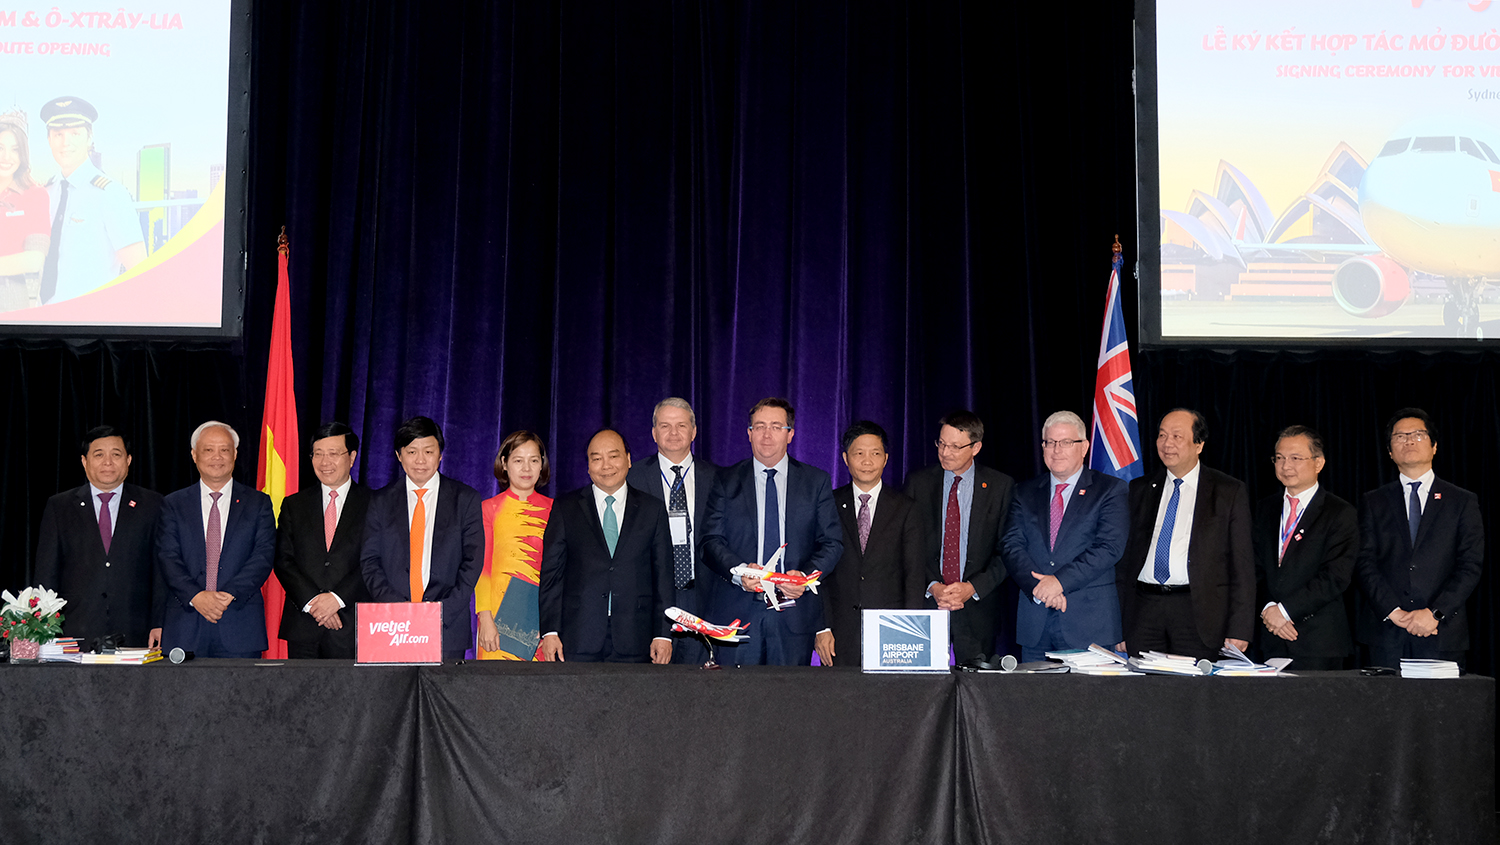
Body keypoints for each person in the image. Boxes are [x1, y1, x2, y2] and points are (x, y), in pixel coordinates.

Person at [702, 398, 842, 666]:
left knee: (787, 704)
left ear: (790, 434)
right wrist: (740, 572)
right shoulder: (724, 480)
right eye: (759, 426)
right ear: (749, 433)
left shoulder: (816, 482)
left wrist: (803, 578)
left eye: (777, 427)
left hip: (793, 618)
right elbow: (710, 541)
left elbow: (832, 543)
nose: (767, 434)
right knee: (734, 702)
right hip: (737, 616)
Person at [1116, 408, 1254, 661]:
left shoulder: (1227, 491)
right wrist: (1120, 624)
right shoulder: (1140, 489)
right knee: (1143, 695)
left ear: (1199, 444)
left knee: (1194, 696)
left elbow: (1242, 565)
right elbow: (1125, 563)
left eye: (1177, 437)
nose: (1167, 444)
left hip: (1198, 612)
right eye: (1162, 435)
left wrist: (1240, 628)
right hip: (1144, 611)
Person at [1355, 408, 1484, 669]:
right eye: (1400, 436)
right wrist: (1393, 611)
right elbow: (1364, 561)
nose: (1409, 441)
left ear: (1434, 446)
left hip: (1442, 632)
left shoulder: (1461, 501)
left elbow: (1470, 565)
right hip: (1387, 633)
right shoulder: (1373, 501)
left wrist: (1435, 613)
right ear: (1390, 452)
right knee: (1386, 710)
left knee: (1440, 710)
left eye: (1418, 434)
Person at [1001, 411, 1128, 662]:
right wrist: (1041, 588)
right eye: (1050, 442)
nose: (1056, 450)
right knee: (1034, 701)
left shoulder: (1110, 490)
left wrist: (1059, 582)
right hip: (1035, 622)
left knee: (1090, 702)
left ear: (1084, 447)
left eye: (1066, 442)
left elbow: (1109, 547)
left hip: (1089, 624)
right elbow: (1011, 545)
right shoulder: (1023, 492)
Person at [538, 429, 673, 663]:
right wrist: (550, 631)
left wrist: (663, 634)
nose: (606, 465)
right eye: (596, 458)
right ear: (588, 466)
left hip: (636, 636)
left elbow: (663, 575)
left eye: (613, 456)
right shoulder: (566, 508)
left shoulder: (653, 509)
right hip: (578, 636)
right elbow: (552, 574)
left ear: (629, 459)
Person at [360, 416, 483, 660]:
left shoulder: (465, 499)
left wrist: (440, 613)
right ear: (398, 455)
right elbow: (370, 562)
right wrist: (400, 611)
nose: (420, 460)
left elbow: (472, 562)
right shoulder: (380, 501)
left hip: (446, 627)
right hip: (392, 627)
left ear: (440, 454)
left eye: (428, 451)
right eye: (411, 451)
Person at [34, 425, 164, 648]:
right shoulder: (59, 507)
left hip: (136, 631)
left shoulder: (153, 504)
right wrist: (44, 627)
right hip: (73, 632)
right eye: (99, 454)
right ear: (85, 462)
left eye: (116, 454)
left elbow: (161, 571)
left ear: (129, 460)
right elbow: (46, 572)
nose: (108, 462)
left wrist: (159, 622)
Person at [157, 421, 277, 658]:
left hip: (240, 624)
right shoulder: (173, 504)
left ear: (235, 454)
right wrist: (196, 596)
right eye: (208, 450)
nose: (217, 457)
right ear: (194, 455)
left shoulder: (258, 503)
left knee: (242, 696)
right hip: (185, 624)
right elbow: (167, 556)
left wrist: (227, 595)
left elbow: (263, 554)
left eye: (224, 449)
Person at [905, 410, 1014, 663]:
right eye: (941, 444)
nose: (945, 452)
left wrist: (973, 587)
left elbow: (1007, 550)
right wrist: (933, 586)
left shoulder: (1000, 486)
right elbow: (908, 546)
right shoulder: (918, 483)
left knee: (977, 692)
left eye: (955, 446)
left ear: (976, 447)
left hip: (977, 608)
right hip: (929, 604)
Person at [816, 420, 924, 668]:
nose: (867, 461)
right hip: (838, 634)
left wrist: (909, 632)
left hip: (892, 632)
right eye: (859, 453)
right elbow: (819, 572)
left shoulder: (906, 508)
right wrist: (822, 626)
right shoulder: (828, 504)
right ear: (845, 458)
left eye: (875, 453)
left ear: (885, 458)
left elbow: (914, 575)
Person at [1252, 425, 1357, 671]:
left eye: (1296, 458)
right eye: (1279, 458)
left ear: (1318, 463)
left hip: (1318, 641)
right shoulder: (1263, 509)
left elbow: (1335, 576)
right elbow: (1253, 567)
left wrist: (1285, 612)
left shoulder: (1339, 512)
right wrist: (1269, 609)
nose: (1286, 466)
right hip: (1271, 638)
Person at [626, 397, 720, 664]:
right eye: (665, 426)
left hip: (703, 599)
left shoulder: (719, 479)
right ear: (654, 433)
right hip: (650, 601)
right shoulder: (632, 479)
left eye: (681, 425)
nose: (674, 433)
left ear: (694, 431)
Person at [272, 422, 372, 659]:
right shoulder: (294, 505)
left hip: (353, 626)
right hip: (304, 624)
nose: (324, 462)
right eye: (318, 454)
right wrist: (314, 604)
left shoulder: (375, 503)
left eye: (333, 454)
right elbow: (283, 560)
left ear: (352, 457)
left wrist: (337, 600)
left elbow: (374, 561)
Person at [38, 95, 145, 305]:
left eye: (75, 133)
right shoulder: (46, 193)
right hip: (44, 319)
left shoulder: (111, 195)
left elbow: (139, 271)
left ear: (89, 138)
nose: (65, 142)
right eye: (58, 134)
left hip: (91, 320)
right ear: (49, 140)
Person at [474, 430, 553, 661]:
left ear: (542, 466)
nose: (526, 468)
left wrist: (552, 626)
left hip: (541, 623)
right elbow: (483, 569)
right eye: (518, 460)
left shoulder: (556, 511)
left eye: (534, 460)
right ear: (504, 464)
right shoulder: (488, 509)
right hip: (497, 623)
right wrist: (485, 619)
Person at [0, 111, 50, 311]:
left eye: (15, 149)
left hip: (11, 306)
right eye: (0, 148)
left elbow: (34, 260)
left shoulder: (35, 195)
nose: (6, 157)